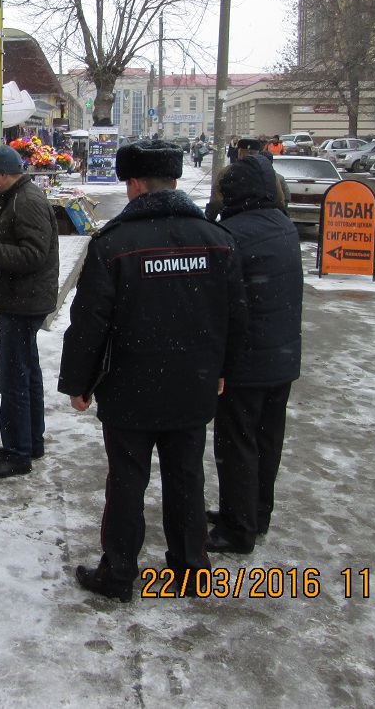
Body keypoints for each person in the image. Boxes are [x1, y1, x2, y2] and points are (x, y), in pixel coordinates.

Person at [58, 139, 247, 602]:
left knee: (126, 482)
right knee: (186, 479)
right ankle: (190, 570)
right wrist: (224, 369)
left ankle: (119, 573)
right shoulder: (217, 239)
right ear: (175, 183)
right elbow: (237, 315)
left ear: (136, 185)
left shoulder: (115, 244)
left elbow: (90, 322)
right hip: (193, 384)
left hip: (130, 387)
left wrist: (78, 383)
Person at [206, 156, 303, 554]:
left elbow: (222, 305)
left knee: (236, 444)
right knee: (266, 441)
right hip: (281, 358)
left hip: (246, 363)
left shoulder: (231, 234)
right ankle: (255, 513)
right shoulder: (284, 226)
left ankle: (237, 528)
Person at [0, 145, 59, 479]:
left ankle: (18, 454)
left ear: (4, 174)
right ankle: (30, 442)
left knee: (13, 378)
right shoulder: (20, 197)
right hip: (24, 299)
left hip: (24, 302)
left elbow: (32, 255)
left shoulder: (27, 201)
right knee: (27, 371)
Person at [205, 138, 287, 220]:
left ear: (239, 152)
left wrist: (210, 218)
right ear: (258, 153)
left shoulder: (227, 171)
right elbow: (279, 200)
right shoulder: (267, 171)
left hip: (233, 221)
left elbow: (216, 201)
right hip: (264, 220)